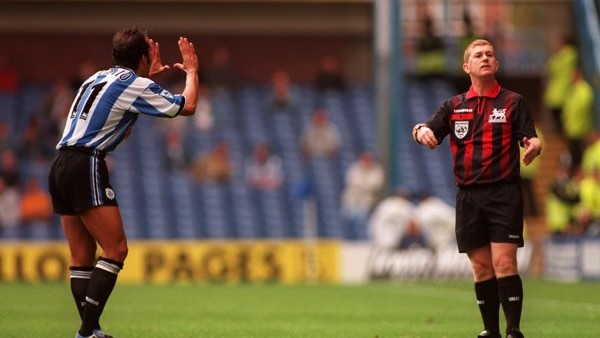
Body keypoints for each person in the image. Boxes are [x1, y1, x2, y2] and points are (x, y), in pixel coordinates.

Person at [48, 27, 199, 338]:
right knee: (116, 249)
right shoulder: (134, 84)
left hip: (60, 163)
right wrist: (193, 72)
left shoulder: (96, 78)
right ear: (143, 57)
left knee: (80, 257)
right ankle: (87, 331)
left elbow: (118, 110)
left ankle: (91, 332)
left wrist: (148, 77)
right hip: (85, 162)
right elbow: (186, 106)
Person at [412, 39, 542, 338]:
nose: (485, 58)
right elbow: (426, 128)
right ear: (466, 66)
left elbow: (530, 138)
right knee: (482, 268)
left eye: (490, 55)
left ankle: (513, 331)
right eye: (478, 55)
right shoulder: (454, 106)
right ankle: (490, 331)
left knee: (504, 261)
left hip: (504, 193)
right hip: (469, 197)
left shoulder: (513, 102)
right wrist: (421, 132)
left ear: (496, 65)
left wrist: (534, 145)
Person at [340, 151, 384, 239]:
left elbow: (375, 185)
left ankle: (362, 239)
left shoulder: (376, 170)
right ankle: (347, 238)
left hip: (367, 201)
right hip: (352, 200)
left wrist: (363, 186)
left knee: (362, 220)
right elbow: (354, 183)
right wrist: (364, 186)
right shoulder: (354, 168)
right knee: (347, 217)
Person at [542, 35, 577, 134]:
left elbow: (551, 66)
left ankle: (562, 134)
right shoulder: (572, 54)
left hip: (560, 90)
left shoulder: (565, 55)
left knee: (560, 115)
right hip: (564, 90)